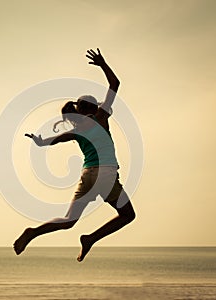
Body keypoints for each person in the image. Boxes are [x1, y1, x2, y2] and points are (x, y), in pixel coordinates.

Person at [13, 48, 136, 262]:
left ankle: (33, 232)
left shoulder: (76, 129)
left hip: (87, 175)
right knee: (127, 215)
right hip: (105, 174)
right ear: (93, 107)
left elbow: (51, 142)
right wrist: (103, 64)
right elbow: (115, 84)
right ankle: (90, 239)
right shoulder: (100, 116)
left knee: (69, 220)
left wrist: (40, 141)